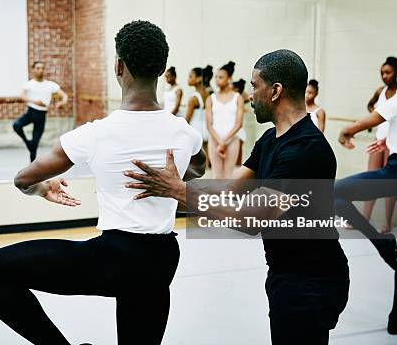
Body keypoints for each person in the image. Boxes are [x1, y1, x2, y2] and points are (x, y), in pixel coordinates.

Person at [0, 20, 206, 345]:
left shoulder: (96, 134)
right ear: (162, 68)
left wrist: (42, 188)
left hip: (114, 259)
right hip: (161, 261)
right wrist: (175, 175)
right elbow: (199, 168)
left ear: (118, 66)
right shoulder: (184, 132)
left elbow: (23, 178)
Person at [125, 49, 350, 345]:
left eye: (255, 86)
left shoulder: (304, 150)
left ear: (275, 91)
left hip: (311, 280)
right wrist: (171, 186)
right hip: (285, 272)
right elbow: (230, 190)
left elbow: (251, 218)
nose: (250, 95)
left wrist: (180, 192)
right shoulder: (271, 139)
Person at [334, 47, 397, 335]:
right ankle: (396, 319)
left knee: (333, 193)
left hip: (396, 173)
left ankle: (378, 241)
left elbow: (364, 123)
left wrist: (346, 133)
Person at [362, 57, 397, 233]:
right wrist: (376, 117)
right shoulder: (380, 91)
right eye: (382, 73)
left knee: (390, 183)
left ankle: (387, 223)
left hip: (394, 142)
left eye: (388, 72)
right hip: (379, 139)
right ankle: (364, 219)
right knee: (371, 178)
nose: (384, 76)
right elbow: (370, 105)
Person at [13, 61, 68, 162]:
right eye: (38, 68)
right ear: (33, 70)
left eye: (42, 68)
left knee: (35, 145)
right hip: (31, 112)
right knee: (16, 125)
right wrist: (35, 101)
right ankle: (27, 142)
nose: (40, 70)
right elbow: (22, 96)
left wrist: (62, 103)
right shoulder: (29, 84)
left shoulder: (50, 85)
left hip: (41, 116)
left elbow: (64, 95)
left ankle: (31, 167)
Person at [206, 61, 245, 179]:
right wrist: (219, 142)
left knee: (228, 176)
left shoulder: (238, 98)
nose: (217, 80)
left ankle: (227, 198)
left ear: (229, 78)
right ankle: (216, 198)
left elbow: (238, 124)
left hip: (232, 140)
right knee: (217, 176)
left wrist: (225, 142)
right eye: (216, 77)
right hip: (214, 140)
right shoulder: (211, 98)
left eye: (221, 77)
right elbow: (209, 125)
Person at [185, 67, 210, 153]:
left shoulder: (193, 98)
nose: (188, 79)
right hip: (206, 130)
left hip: (195, 129)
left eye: (190, 76)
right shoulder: (207, 94)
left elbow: (187, 119)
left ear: (199, 79)